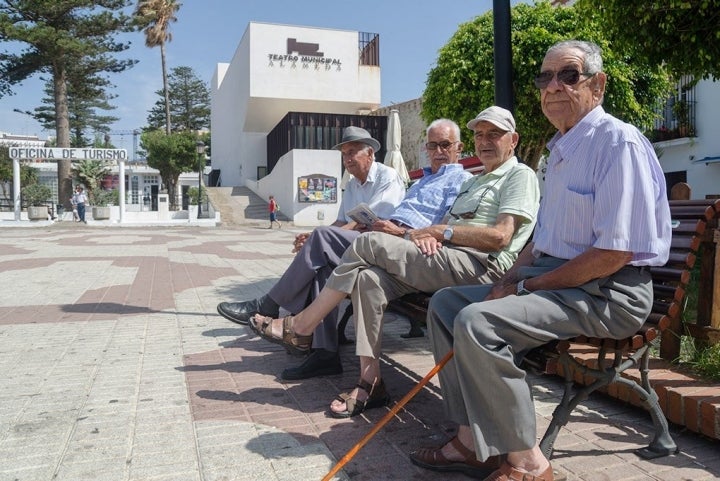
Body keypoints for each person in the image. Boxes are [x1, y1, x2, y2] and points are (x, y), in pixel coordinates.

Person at [410, 40, 672, 481]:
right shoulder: (561, 150)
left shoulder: (617, 143)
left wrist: (524, 288)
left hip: (609, 291)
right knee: (446, 306)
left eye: (568, 75)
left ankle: (530, 463)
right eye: (544, 78)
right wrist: (509, 278)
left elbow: (615, 252)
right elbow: (540, 239)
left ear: (598, 84)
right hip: (560, 280)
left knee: (479, 323)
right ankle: (473, 440)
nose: (552, 86)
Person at [249, 106, 540, 417]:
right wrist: (426, 234)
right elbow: (440, 223)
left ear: (514, 140)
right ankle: (370, 382)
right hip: (446, 256)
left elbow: (500, 236)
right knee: (367, 279)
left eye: (494, 134)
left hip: (482, 266)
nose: (485, 141)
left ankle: (303, 324)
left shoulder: (519, 174)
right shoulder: (474, 181)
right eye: (480, 134)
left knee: (369, 242)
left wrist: (440, 231)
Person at [220, 120, 472, 381]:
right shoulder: (418, 182)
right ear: (426, 148)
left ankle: (271, 306)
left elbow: (452, 222)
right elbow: (345, 222)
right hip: (384, 239)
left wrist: (419, 233)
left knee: (324, 241)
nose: (438, 151)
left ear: (459, 147)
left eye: (445, 145)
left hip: (402, 245)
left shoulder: (458, 180)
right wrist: (317, 237)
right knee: (324, 264)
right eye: (433, 145)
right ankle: (325, 354)